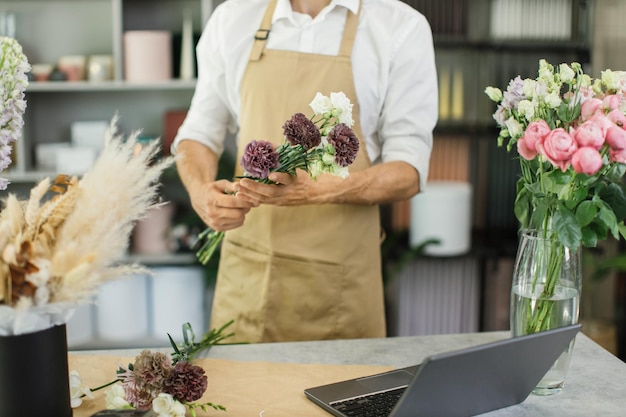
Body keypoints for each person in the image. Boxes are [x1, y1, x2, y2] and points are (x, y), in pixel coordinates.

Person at [172, 0, 438, 343]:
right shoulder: (233, 19)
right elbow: (197, 134)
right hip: (248, 280)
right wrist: (199, 192)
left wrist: (321, 190)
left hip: (342, 288)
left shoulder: (400, 27)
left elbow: (410, 170)